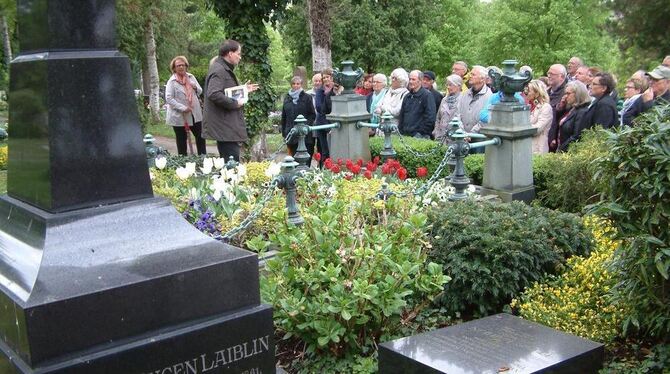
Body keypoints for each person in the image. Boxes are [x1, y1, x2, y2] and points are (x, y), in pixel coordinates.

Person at [203, 39, 259, 161]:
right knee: (232, 167)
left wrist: (243, 90)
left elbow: (224, 91)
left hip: (226, 127)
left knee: (230, 165)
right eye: (238, 54)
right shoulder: (219, 70)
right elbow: (213, 94)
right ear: (230, 53)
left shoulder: (222, 68)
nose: (240, 57)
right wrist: (235, 103)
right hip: (225, 128)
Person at [165, 55, 206, 155]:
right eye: (178, 65)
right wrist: (183, 108)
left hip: (194, 114)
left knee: (200, 137)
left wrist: (195, 86)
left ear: (186, 66)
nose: (181, 67)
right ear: (174, 68)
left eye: (183, 65)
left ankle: (203, 158)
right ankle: (183, 163)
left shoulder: (191, 77)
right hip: (179, 116)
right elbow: (169, 98)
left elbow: (200, 91)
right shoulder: (172, 81)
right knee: (181, 141)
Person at [281, 76, 316, 164]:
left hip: (305, 134)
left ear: (301, 85)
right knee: (293, 160)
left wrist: (305, 126)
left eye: (298, 84)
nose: (296, 86)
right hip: (291, 133)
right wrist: (284, 133)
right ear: (291, 85)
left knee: (305, 160)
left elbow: (312, 114)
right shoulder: (287, 98)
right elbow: (284, 116)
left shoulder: (307, 97)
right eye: (294, 84)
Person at [398, 70, 436, 138]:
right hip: (405, 135)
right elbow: (402, 116)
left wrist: (420, 133)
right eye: (410, 79)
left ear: (420, 81)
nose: (411, 82)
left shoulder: (427, 96)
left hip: (420, 136)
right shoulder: (407, 96)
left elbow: (430, 118)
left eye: (413, 79)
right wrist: (401, 131)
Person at [456, 65, 492, 134]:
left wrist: (472, 134)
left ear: (482, 79)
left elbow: (486, 119)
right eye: (470, 74)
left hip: (479, 139)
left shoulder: (489, 96)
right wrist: (462, 132)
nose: (470, 76)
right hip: (462, 138)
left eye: (473, 74)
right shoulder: (464, 94)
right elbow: (457, 114)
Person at [556, 81, 591, 152]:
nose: (565, 96)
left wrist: (561, 149)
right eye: (565, 93)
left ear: (578, 94)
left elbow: (577, 136)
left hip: (570, 153)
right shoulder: (572, 109)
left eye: (568, 93)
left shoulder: (582, 112)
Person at [314, 67, 336, 166]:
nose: (326, 79)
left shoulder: (337, 89)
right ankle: (323, 170)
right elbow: (319, 107)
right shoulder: (320, 91)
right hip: (323, 123)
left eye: (328, 77)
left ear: (332, 77)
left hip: (335, 122)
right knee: (324, 151)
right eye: (324, 78)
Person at [546, 64, 568, 152]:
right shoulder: (546, 92)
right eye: (548, 73)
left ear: (561, 77)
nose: (548, 76)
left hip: (555, 140)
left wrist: (553, 137)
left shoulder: (567, 93)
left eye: (552, 74)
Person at [526, 80, 553, 154]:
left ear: (537, 93)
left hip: (537, 149)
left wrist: (521, 128)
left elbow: (538, 129)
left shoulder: (546, 107)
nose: (526, 93)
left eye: (528, 90)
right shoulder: (529, 107)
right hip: (526, 147)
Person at [433, 74, 463, 140]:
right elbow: (438, 118)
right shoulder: (444, 99)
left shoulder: (463, 99)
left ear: (458, 86)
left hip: (456, 138)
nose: (448, 87)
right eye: (447, 85)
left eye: (450, 85)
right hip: (441, 138)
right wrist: (436, 133)